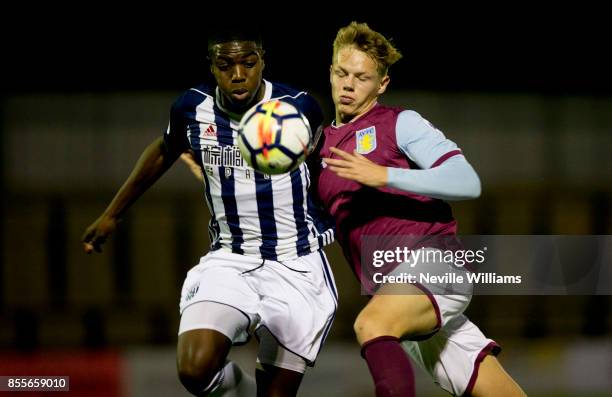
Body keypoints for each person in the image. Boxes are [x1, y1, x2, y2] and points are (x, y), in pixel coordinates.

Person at [82, 27, 337, 397]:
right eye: (226, 64)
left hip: (296, 265)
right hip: (230, 260)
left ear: (262, 61)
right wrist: (112, 214)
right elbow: (165, 149)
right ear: (212, 67)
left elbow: (327, 173)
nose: (238, 74)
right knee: (194, 369)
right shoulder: (191, 108)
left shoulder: (299, 107)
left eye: (249, 63)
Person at [317, 22, 526, 397]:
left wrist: (383, 175)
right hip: (394, 290)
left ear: (381, 84)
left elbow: (466, 181)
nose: (348, 85)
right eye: (341, 73)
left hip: (433, 265)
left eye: (362, 77)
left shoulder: (400, 123)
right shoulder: (320, 148)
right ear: (330, 71)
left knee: (371, 325)